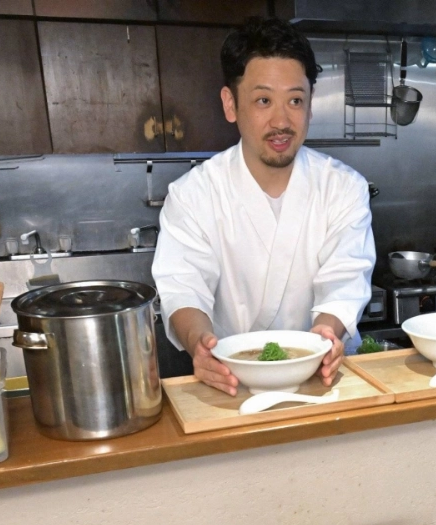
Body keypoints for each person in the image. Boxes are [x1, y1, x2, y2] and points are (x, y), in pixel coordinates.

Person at [151, 17, 376, 396]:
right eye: (263, 100)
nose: (281, 121)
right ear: (230, 104)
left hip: (323, 379)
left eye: (295, 100)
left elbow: (345, 282)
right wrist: (199, 343)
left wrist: (326, 333)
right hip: (232, 383)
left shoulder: (343, 188)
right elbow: (183, 288)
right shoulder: (194, 194)